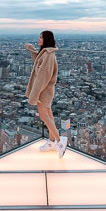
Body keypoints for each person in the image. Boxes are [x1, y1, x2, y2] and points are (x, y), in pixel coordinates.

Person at [25, 30, 67, 158]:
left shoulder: (48, 55)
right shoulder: (47, 53)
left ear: (46, 39)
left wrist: (34, 94)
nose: (39, 39)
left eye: (41, 37)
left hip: (43, 90)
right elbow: (39, 65)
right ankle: (52, 142)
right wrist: (32, 51)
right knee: (48, 115)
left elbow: (42, 76)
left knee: (44, 116)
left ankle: (60, 141)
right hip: (46, 89)